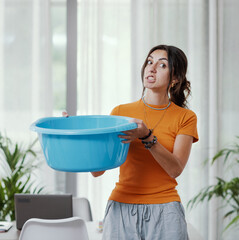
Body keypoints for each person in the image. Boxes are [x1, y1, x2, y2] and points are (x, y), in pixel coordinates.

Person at [65, 44, 198, 239]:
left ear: (175, 78)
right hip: (121, 208)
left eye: (162, 65)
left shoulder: (185, 117)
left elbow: (175, 169)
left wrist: (147, 137)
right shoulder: (121, 113)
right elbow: (97, 170)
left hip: (166, 211)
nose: (151, 68)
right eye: (149, 62)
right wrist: (74, 135)